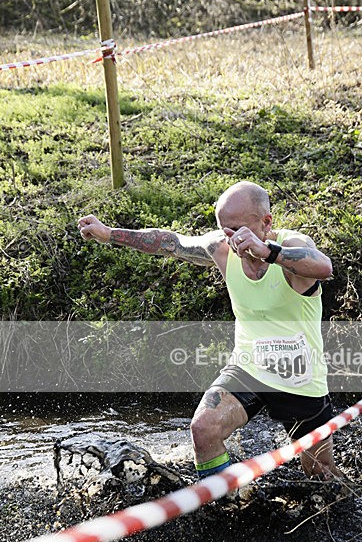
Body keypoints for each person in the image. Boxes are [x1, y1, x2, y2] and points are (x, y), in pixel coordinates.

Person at [78, 181, 340, 483]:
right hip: (250, 369)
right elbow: (171, 242)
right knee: (203, 429)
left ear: (266, 222)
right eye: (226, 230)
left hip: (301, 380)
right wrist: (110, 234)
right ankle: (229, 506)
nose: (234, 239)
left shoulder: (292, 244)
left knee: (321, 477)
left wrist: (267, 252)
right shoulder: (221, 248)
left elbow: (323, 266)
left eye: (240, 229)